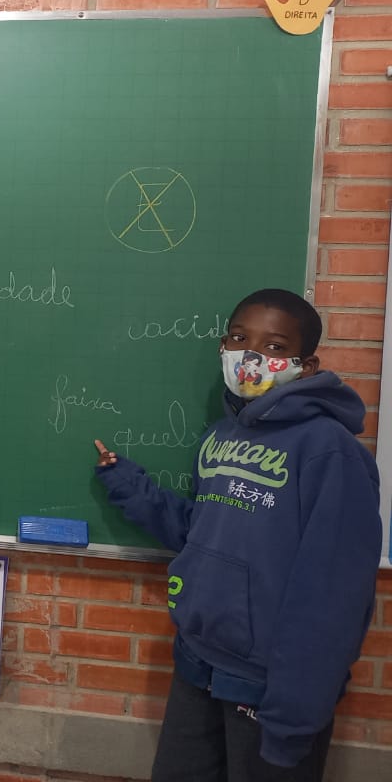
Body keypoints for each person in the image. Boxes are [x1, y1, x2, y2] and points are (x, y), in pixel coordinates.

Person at [93, 287, 381, 782]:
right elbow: (198, 530)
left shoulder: (330, 452)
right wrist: (128, 485)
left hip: (269, 690)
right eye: (239, 339)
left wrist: (293, 718)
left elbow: (334, 594)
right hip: (197, 666)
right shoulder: (220, 437)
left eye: (274, 347)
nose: (251, 356)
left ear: (306, 366)